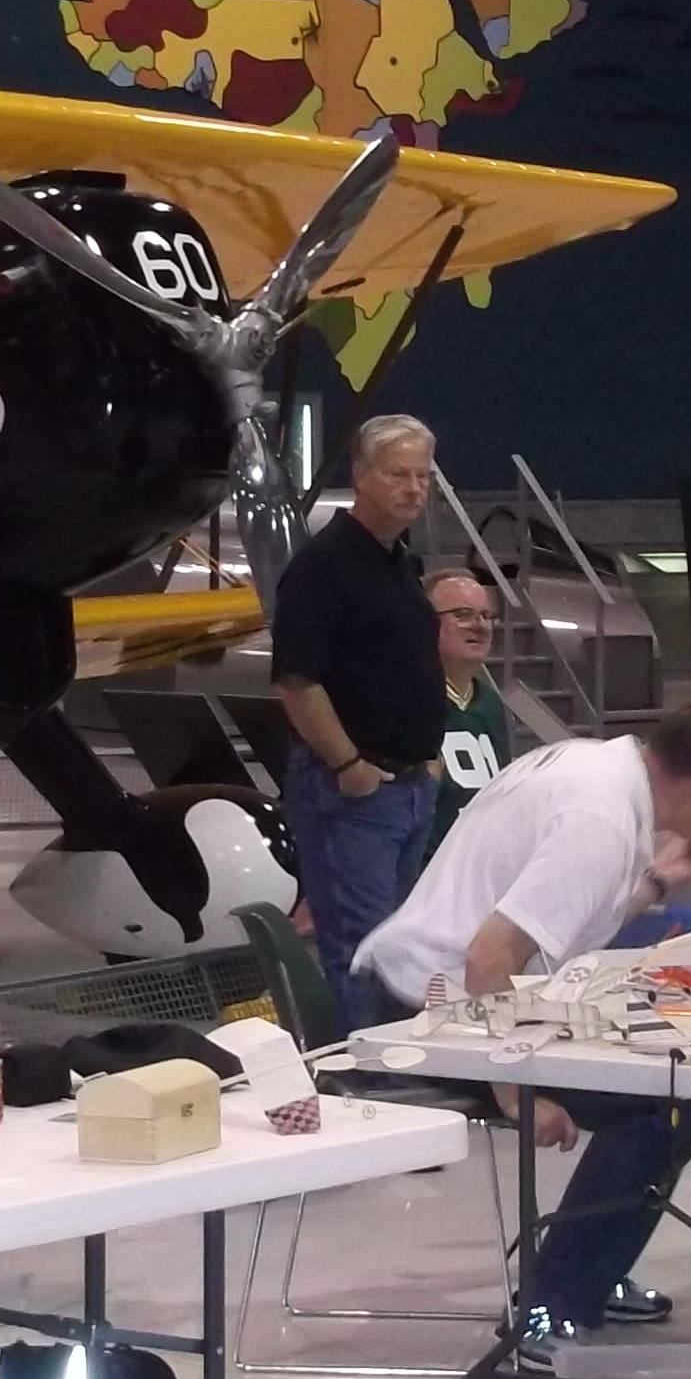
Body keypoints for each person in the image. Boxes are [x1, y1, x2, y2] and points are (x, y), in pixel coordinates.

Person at [351, 694, 691, 1349]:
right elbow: (488, 959)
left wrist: (659, 881)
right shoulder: (600, 820)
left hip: (451, 993)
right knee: (663, 1101)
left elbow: (560, 925)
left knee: (665, 1085)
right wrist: (517, 1092)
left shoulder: (593, 765)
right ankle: (547, 1311)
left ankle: (589, 1275)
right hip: (429, 1014)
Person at [270, 412, 446, 995]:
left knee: (397, 947)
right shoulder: (323, 567)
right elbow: (296, 680)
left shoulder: (399, 563)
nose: (414, 488)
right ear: (361, 475)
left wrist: (426, 759)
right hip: (353, 794)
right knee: (360, 950)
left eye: (423, 476)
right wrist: (348, 765)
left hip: (409, 788)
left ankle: (393, 1047)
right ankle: (358, 1052)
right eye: (399, 474)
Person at [418, 569, 514, 876]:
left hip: (480, 872)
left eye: (486, 616)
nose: (480, 625)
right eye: (462, 615)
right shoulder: (406, 699)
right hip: (422, 876)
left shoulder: (490, 703)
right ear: (424, 622)